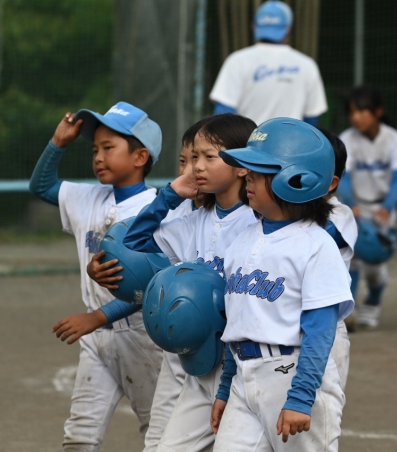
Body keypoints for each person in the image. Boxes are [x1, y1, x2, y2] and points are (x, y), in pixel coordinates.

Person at [28, 102, 165, 451]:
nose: (98, 157)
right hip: (97, 339)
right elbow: (41, 186)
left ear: (140, 157)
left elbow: (153, 287)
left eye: (108, 148)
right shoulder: (88, 197)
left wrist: (98, 316)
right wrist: (58, 143)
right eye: (94, 150)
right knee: (79, 437)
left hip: (143, 338)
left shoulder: (155, 211)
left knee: (160, 437)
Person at [211, 118, 353, 451]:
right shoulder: (242, 240)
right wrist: (225, 388)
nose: (247, 176)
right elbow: (238, 323)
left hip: (292, 375)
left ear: (297, 180)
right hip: (243, 377)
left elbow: (320, 330)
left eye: (259, 171)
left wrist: (301, 398)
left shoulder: (315, 244)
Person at [122, 113, 259, 452]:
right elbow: (135, 240)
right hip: (202, 363)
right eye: (194, 156)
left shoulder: (257, 222)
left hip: (245, 364)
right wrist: (170, 195)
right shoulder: (195, 221)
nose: (197, 166)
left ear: (242, 166)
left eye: (209, 156)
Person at [84, 117, 209, 452]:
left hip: (226, 354)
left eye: (204, 159)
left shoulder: (243, 221)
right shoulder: (176, 215)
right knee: (159, 443)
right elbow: (138, 249)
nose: (192, 170)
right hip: (177, 351)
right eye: (184, 161)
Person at [337, 85, 397, 328]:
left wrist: (388, 206)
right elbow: (345, 177)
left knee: (374, 263)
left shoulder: (394, 139)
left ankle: (372, 302)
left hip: (381, 208)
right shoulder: (347, 139)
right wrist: (350, 203)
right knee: (351, 258)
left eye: (362, 111)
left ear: (378, 111)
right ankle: (348, 312)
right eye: (352, 112)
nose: (356, 117)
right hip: (355, 207)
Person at [209, 0, 327, 125]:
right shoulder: (307, 65)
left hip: (249, 137)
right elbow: (311, 118)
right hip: (291, 137)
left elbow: (223, 114)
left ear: (253, 26)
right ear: (288, 29)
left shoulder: (237, 60)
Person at [319, 127, 358, 389]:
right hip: (282, 328)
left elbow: (310, 238)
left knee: (323, 407)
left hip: (327, 328)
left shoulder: (339, 215)